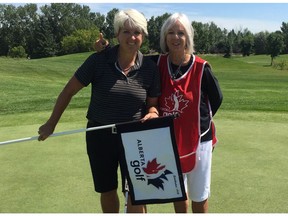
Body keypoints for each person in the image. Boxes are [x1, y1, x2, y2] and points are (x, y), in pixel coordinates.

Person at [95, 13, 223, 213]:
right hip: (168, 140)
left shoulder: (202, 68)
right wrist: (106, 49)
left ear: (188, 37)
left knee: (199, 195)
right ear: (164, 37)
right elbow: (130, 52)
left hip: (200, 140)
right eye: (170, 32)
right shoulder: (155, 63)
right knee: (178, 191)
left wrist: (197, 123)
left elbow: (216, 99)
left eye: (181, 33)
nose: (175, 37)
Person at [38, 9, 161, 213]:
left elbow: (152, 103)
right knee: (107, 190)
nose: (132, 37)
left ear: (144, 36)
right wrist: (51, 123)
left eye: (137, 32)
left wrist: (154, 112)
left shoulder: (150, 67)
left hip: (134, 138)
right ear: (117, 35)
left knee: (137, 192)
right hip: (99, 136)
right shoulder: (98, 60)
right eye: (126, 32)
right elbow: (68, 91)